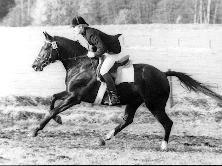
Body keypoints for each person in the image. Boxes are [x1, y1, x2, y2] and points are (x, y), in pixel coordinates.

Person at [71, 16, 122, 106]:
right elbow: (94, 45)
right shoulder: (85, 33)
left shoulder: (90, 33)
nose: (73, 29)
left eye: (74, 27)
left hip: (113, 51)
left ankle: (114, 96)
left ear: (80, 26)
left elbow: (102, 48)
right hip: (105, 50)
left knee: (103, 71)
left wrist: (94, 54)